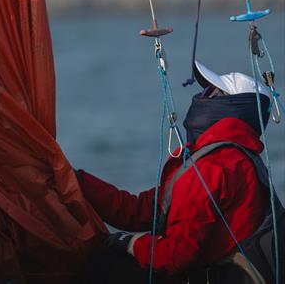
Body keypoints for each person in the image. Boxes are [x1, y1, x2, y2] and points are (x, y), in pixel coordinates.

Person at [76, 60, 281, 284]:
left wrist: (130, 243)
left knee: (102, 267)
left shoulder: (214, 166)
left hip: (212, 277)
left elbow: (175, 257)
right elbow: (143, 211)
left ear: (233, 107)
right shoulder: (238, 157)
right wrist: (78, 182)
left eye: (213, 91)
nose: (203, 95)